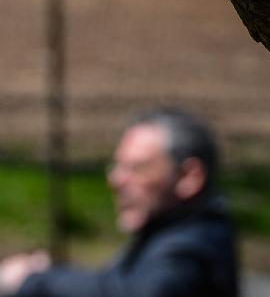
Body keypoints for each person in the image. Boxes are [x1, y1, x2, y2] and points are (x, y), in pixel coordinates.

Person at [0, 108, 238, 297]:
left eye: (137, 168)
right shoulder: (169, 232)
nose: (115, 180)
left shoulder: (194, 245)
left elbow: (139, 292)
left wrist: (36, 281)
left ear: (189, 177)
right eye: (119, 166)